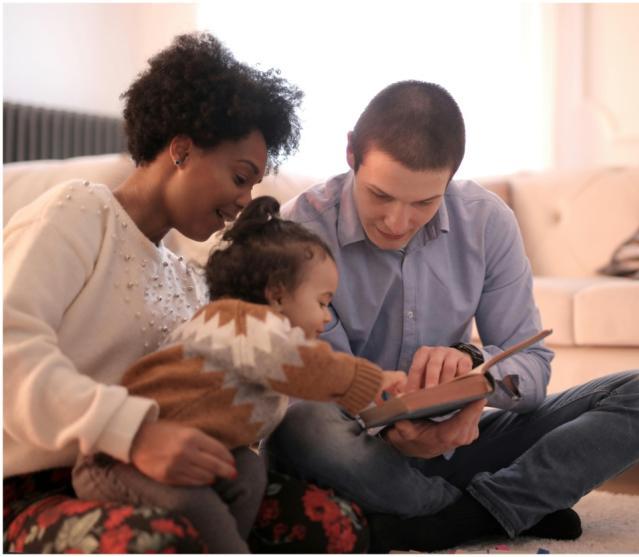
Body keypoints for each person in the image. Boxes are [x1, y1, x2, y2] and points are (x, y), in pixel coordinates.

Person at [262, 80, 639, 552]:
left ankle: (457, 518)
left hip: (459, 441)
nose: (397, 222)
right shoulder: (296, 232)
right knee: (300, 428)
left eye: (424, 202)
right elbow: (312, 383)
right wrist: (391, 430)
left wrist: (476, 378)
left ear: (451, 178)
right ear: (350, 154)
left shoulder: (487, 221)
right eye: (380, 195)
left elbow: (533, 369)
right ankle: (501, 507)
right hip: (356, 449)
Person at [4, 32, 369, 554]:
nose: (245, 201)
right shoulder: (79, 213)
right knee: (166, 540)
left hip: (158, 479)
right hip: (31, 485)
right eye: (240, 177)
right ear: (181, 149)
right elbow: (8, 353)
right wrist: (136, 433)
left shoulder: (188, 277)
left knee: (332, 525)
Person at [71, 195, 407, 553]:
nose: (327, 317)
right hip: (112, 463)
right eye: (323, 303)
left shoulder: (250, 342)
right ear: (277, 296)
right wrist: (370, 381)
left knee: (247, 469)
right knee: (196, 507)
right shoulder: (242, 325)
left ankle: (230, 541)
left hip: (184, 458)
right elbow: (307, 365)